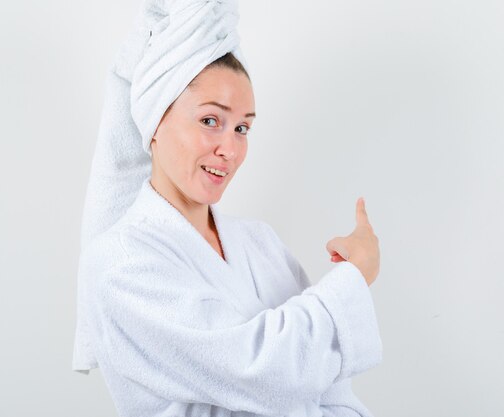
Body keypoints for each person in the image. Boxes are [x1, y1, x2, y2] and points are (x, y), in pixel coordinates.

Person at [72, 1, 383, 416]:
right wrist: (355, 276)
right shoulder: (118, 265)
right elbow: (268, 371)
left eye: (242, 128)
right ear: (155, 122)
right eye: (210, 121)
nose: (230, 149)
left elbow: (330, 390)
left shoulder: (259, 242)